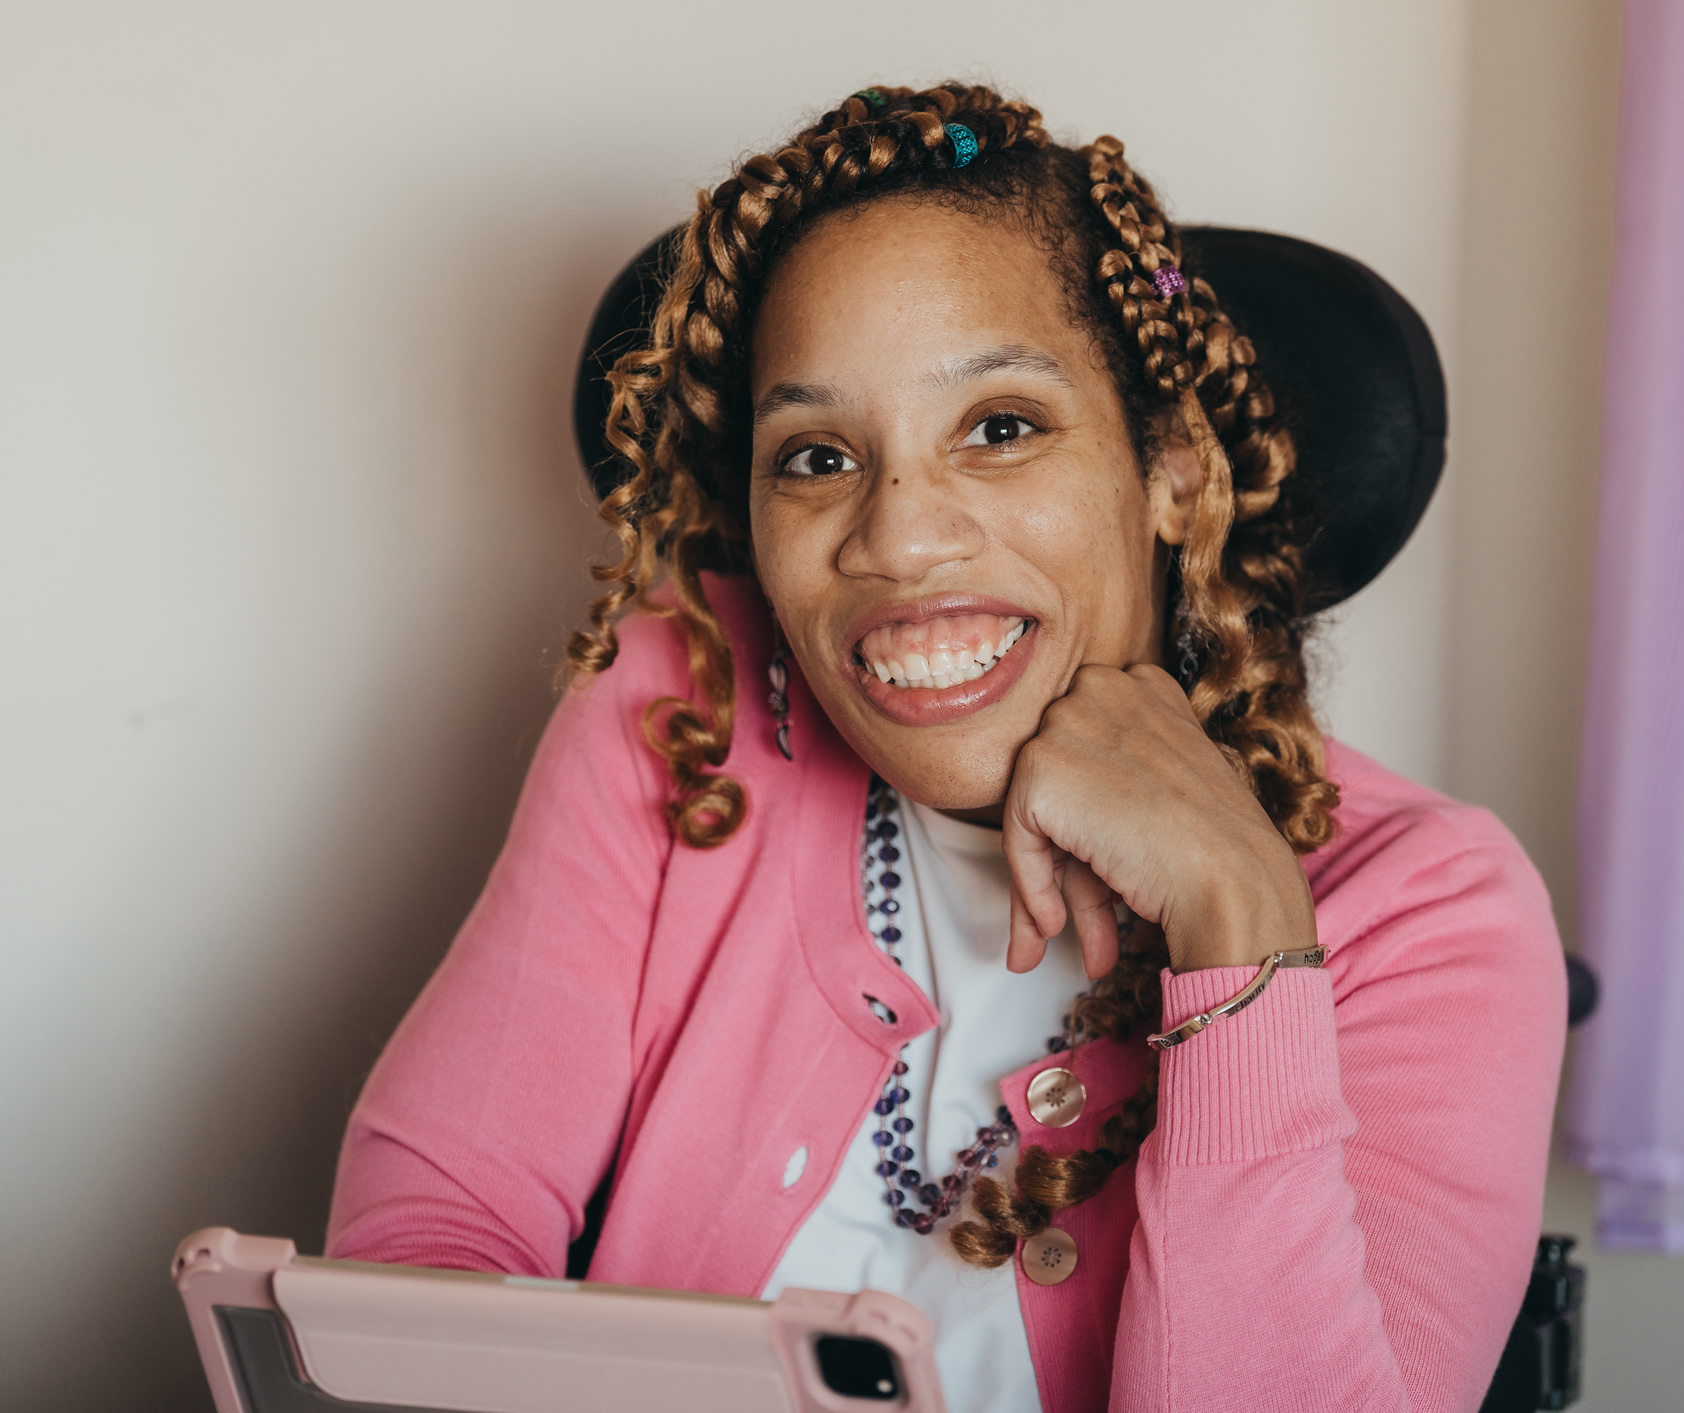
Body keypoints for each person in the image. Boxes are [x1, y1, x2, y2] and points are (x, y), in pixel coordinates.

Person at [326, 83, 1565, 1413]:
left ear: (1174, 468)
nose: (898, 538)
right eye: (813, 455)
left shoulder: (1434, 908)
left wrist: (1239, 924)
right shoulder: (680, 719)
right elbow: (412, 1269)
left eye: (998, 427)